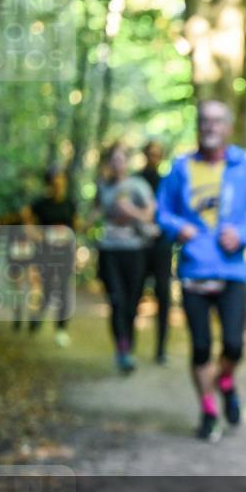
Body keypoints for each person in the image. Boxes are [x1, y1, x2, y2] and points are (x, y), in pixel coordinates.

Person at [156, 100, 246, 442]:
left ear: (228, 127)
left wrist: (244, 234)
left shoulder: (243, 167)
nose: (210, 127)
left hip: (232, 270)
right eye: (205, 121)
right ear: (198, 126)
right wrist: (179, 229)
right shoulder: (180, 168)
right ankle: (207, 410)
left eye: (217, 121)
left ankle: (225, 381)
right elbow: (163, 212)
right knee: (201, 347)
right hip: (194, 268)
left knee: (234, 346)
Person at [95, 142, 157, 374]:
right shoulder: (103, 186)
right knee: (117, 300)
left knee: (132, 303)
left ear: (127, 162)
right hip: (109, 250)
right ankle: (122, 350)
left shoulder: (138, 185)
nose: (117, 163)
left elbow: (150, 212)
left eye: (121, 159)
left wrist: (131, 211)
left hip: (135, 250)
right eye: (114, 159)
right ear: (109, 162)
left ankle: (128, 346)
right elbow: (96, 211)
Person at [27, 166, 77, 347]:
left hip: (64, 253)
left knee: (63, 290)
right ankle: (36, 317)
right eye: (54, 180)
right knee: (46, 290)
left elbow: (75, 227)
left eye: (61, 179)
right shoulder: (40, 204)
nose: (58, 184)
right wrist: (37, 235)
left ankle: (61, 329)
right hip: (44, 253)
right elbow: (28, 224)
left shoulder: (70, 203)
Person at [138, 140, 173, 365]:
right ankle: (128, 346)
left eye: (157, 153)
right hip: (139, 246)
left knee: (163, 296)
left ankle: (161, 349)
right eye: (150, 153)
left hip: (162, 246)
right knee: (133, 296)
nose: (154, 157)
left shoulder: (167, 182)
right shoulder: (136, 180)